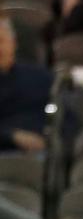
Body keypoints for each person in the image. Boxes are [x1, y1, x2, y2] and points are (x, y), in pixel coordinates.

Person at [0, 17, 52, 154]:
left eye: (1, 41)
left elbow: (65, 117)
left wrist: (50, 139)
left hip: (42, 154)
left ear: (14, 43)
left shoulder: (41, 78)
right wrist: (13, 136)